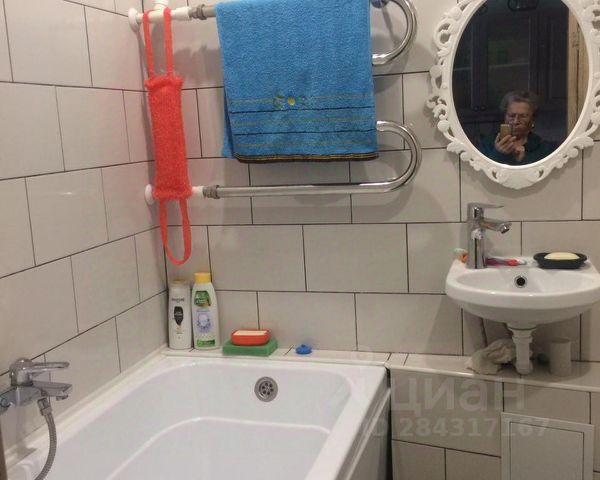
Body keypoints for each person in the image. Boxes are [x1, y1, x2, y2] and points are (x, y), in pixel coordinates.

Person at [479, 91, 557, 165]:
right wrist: (498, 154)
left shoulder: (544, 148)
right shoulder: (487, 143)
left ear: (532, 119)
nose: (516, 121)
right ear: (505, 117)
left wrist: (523, 159)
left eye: (523, 116)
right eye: (511, 116)